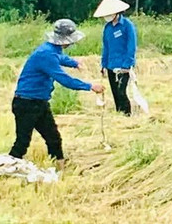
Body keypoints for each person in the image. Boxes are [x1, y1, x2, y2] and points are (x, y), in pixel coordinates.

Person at [10, 19, 104, 165]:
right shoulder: (45, 54)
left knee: (53, 138)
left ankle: (60, 168)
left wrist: (75, 63)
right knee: (22, 143)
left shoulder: (52, 50)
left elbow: (60, 57)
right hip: (26, 104)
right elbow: (65, 79)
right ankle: (5, 170)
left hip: (40, 102)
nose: (71, 44)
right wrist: (90, 86)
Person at [95, 0, 137, 116]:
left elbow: (131, 46)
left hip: (123, 65)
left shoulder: (127, 25)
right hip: (110, 65)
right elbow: (106, 47)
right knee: (115, 92)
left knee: (121, 91)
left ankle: (127, 115)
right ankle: (119, 114)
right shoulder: (107, 28)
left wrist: (127, 64)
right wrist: (103, 65)